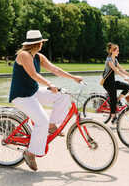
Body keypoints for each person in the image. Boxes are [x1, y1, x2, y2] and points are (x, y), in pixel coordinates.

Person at [9, 30, 82, 171]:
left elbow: (55, 69)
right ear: (38, 43)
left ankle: (52, 124)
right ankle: (30, 153)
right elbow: (33, 74)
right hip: (21, 96)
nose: (42, 43)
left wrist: (74, 78)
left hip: (33, 92)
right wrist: (49, 84)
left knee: (63, 96)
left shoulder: (38, 56)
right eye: (42, 42)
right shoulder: (23, 55)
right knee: (42, 121)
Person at [102, 43, 129, 121]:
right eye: (117, 51)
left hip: (112, 82)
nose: (118, 52)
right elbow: (116, 70)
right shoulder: (109, 60)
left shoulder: (115, 60)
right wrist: (124, 77)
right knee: (112, 99)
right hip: (107, 83)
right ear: (112, 51)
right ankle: (113, 117)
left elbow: (122, 69)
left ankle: (118, 100)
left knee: (127, 87)